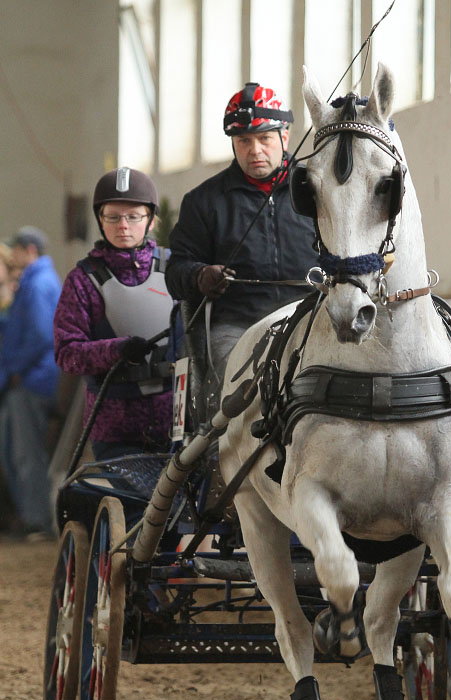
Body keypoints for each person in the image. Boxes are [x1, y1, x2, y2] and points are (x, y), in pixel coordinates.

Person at [165, 82, 318, 410]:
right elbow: (175, 272)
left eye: (264, 139)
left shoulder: (317, 191)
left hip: (314, 318)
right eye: (244, 141)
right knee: (238, 396)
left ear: (285, 136)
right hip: (237, 326)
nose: (255, 150)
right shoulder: (204, 202)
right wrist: (199, 276)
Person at [54, 167, 175, 461]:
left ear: (151, 220)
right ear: (100, 219)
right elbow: (67, 353)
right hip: (116, 430)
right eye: (112, 217)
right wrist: (117, 350)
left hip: (177, 424)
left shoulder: (175, 269)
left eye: (133, 216)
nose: (123, 225)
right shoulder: (82, 280)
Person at [0, 227, 61, 538]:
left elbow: (40, 335)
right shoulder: (35, 281)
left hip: (32, 380)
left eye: (16, 249)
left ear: (30, 250)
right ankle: (30, 518)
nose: (13, 256)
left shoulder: (38, 284)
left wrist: (14, 370)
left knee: (27, 453)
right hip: (29, 378)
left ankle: (38, 521)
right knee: (16, 451)